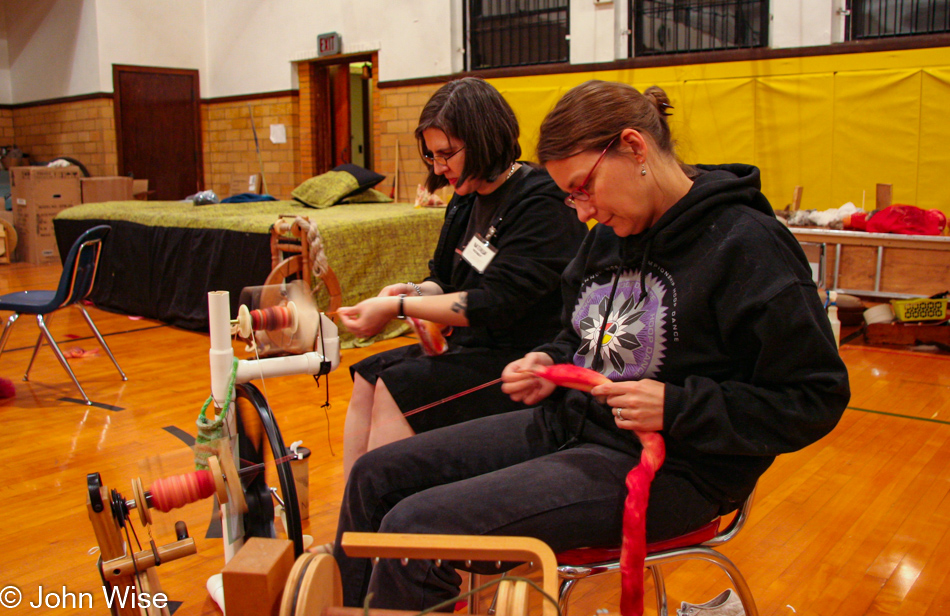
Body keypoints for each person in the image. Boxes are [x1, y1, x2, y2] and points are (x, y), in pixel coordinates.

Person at [329, 80, 850, 611]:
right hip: (573, 426)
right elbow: (576, 335)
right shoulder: (609, 234)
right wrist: (548, 361)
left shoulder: (747, 244)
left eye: (583, 188)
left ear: (633, 148)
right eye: (570, 195)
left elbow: (814, 397)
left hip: (678, 468)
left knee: (418, 528)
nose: (580, 213)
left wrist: (676, 405)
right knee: (376, 476)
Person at [336, 77, 588, 480]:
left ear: (484, 138)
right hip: (473, 348)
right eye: (431, 156)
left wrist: (398, 305)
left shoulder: (542, 202)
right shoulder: (466, 196)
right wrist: (413, 291)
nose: (438, 168)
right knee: (368, 376)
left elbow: (493, 303)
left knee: (397, 388)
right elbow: (445, 280)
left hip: (520, 359)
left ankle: (384, 529)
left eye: (446, 154)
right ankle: (356, 524)